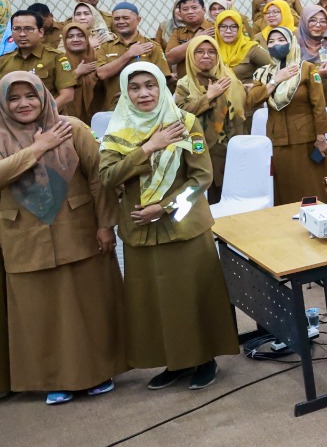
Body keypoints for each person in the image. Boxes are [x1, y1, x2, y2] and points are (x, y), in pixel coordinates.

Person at [99, 63, 236, 390]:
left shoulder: (185, 122)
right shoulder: (119, 128)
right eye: (135, 88)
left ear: (162, 86)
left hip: (184, 225)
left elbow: (201, 179)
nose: (144, 93)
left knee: (193, 294)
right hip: (140, 231)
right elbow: (107, 177)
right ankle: (175, 361)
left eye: (150, 85)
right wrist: (148, 147)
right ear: (125, 92)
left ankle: (204, 358)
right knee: (154, 301)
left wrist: (165, 207)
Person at [0, 73, 125, 404]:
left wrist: (105, 225)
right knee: (39, 314)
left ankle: (99, 373)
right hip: (24, 240)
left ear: (44, 96)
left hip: (78, 232)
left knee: (88, 307)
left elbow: (99, 177)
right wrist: (38, 147)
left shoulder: (72, 128)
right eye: (14, 98)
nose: (24, 103)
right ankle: (55, 380)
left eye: (31, 95)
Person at [246, 26, 327, 204]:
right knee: (285, 189)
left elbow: (319, 105)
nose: (275, 44)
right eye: (271, 42)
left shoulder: (307, 69)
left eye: (281, 40)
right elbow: (252, 100)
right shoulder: (263, 73)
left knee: (312, 188)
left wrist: (321, 137)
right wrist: (276, 79)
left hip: (308, 140)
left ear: (291, 43)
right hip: (278, 139)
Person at [172, 35, 246, 200]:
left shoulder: (230, 80)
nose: (206, 56)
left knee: (232, 193)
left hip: (229, 145)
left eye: (211, 52)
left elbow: (240, 113)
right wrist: (208, 97)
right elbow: (181, 114)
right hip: (198, 147)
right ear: (191, 55)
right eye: (200, 51)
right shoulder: (184, 84)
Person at [0, 9, 77, 113]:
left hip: (49, 118)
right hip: (11, 119)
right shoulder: (3, 60)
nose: (22, 34)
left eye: (28, 29)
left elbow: (67, 95)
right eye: (16, 29)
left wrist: (42, 115)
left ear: (41, 32)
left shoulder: (56, 58)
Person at [94, 4, 167, 112]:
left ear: (138, 19)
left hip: (146, 108)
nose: (121, 22)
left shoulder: (151, 46)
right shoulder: (105, 47)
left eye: (125, 18)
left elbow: (163, 79)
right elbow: (102, 74)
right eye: (116, 19)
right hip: (115, 108)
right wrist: (129, 54)